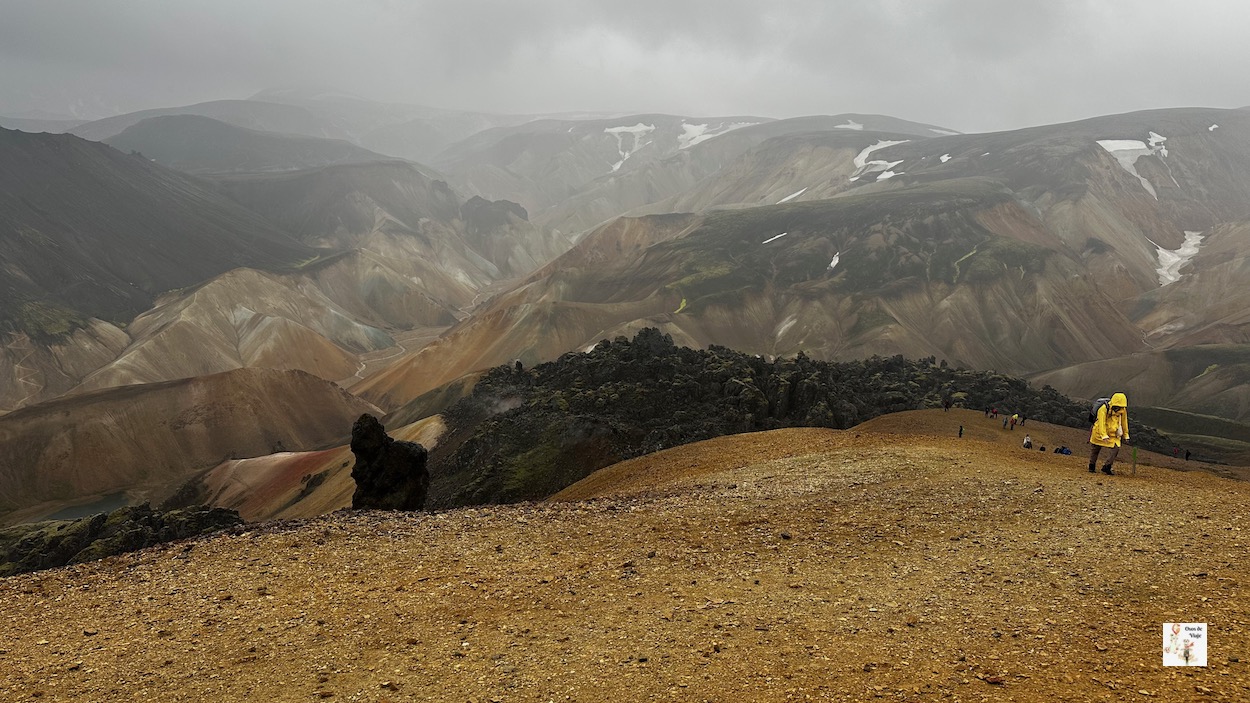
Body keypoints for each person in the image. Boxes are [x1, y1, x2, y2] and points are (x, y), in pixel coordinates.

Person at [1088, 392, 1129, 475]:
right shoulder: (1103, 409)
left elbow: (1124, 422)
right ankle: (1091, 466)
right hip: (1099, 432)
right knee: (1095, 449)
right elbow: (1101, 423)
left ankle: (1107, 466)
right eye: (1118, 406)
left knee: (1116, 448)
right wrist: (1104, 435)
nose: (1119, 408)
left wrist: (1126, 435)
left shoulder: (1123, 410)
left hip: (1113, 434)